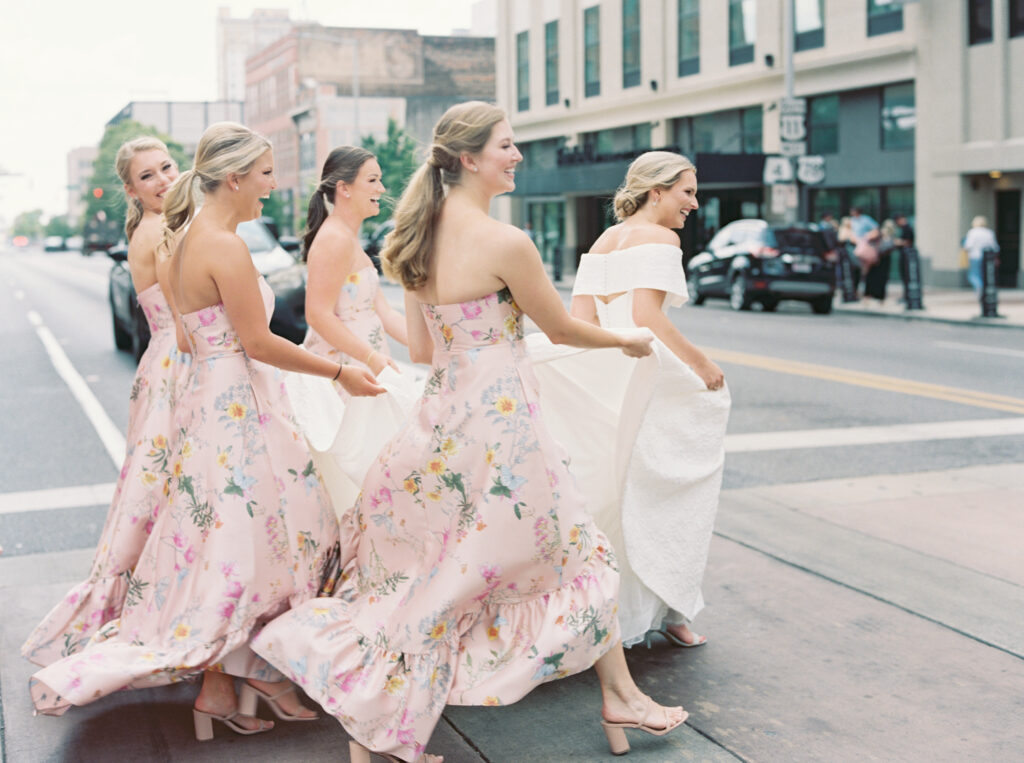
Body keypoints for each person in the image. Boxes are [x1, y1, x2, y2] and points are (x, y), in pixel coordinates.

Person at [250, 101, 686, 762]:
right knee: (576, 555)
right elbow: (563, 328)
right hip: (506, 424)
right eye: (507, 145)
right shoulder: (506, 242)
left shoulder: (415, 238)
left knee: (445, 575)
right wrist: (626, 339)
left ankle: (610, 696)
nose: (516, 155)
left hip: (442, 421)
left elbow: (424, 350)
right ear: (470, 158)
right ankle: (614, 697)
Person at [29, 123, 385, 739]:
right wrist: (340, 371)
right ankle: (253, 675)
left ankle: (230, 686)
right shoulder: (222, 245)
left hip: (208, 399)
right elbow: (259, 341)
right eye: (266, 175)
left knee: (239, 544)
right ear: (236, 177)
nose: (273, 188)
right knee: (286, 535)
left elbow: (187, 341)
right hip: (241, 405)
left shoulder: (182, 239)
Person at [526, 151, 730, 650]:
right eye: (687, 191)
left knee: (617, 491)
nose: (695, 203)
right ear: (657, 192)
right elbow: (647, 316)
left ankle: (613, 608)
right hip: (648, 369)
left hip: (610, 368)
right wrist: (701, 365)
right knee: (671, 491)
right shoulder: (662, 237)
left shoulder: (603, 239)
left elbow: (582, 319)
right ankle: (674, 608)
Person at [22, 137, 188, 667]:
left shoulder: (170, 225)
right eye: (148, 176)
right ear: (131, 190)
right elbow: (192, 310)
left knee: (166, 496)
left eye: (167, 167)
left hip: (170, 362)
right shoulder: (158, 230)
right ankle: (168, 613)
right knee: (174, 497)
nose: (163, 179)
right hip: (181, 366)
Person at [302, 146, 408, 385]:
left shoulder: (348, 238)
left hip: (365, 361)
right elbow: (317, 315)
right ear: (344, 188)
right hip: (343, 367)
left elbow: (386, 313)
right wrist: (369, 357)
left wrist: (436, 348)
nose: (381, 188)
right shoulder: (334, 239)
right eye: (373, 180)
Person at [962, 215, 999, 294]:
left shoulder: (972, 232)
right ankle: (983, 290)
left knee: (973, 275)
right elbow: (995, 247)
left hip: (975, 256)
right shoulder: (989, 233)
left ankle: (979, 288)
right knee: (984, 274)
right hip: (987, 258)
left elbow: (968, 246)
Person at [849, 206, 881, 297]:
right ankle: (854, 290)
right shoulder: (852, 221)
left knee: (865, 270)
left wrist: (866, 237)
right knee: (855, 270)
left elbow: (876, 230)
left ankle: (866, 291)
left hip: (864, 247)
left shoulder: (866, 220)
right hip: (854, 246)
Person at [893, 213, 916, 302]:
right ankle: (906, 295)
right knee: (904, 276)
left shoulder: (907, 228)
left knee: (907, 276)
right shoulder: (903, 228)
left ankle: (907, 295)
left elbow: (908, 242)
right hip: (904, 254)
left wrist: (898, 242)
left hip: (906, 255)